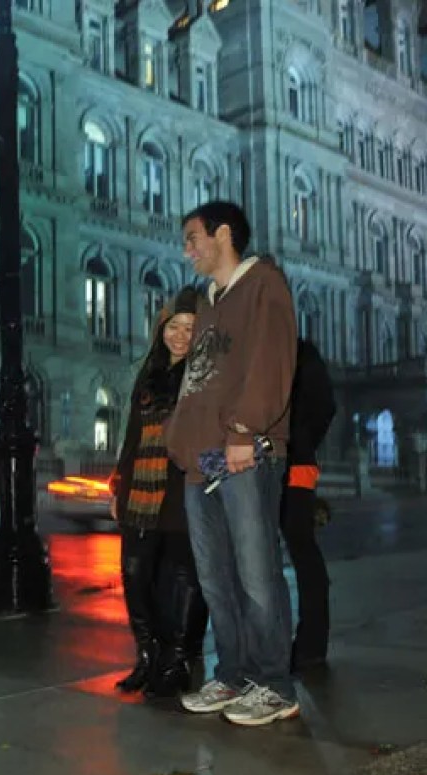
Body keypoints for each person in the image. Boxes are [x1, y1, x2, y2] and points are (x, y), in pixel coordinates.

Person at [164, 201, 299, 727]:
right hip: (201, 460)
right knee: (216, 576)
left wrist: (246, 428)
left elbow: (273, 358)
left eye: (193, 237)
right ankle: (235, 672)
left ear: (223, 233)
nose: (187, 249)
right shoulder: (209, 302)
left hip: (245, 452)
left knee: (256, 572)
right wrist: (180, 439)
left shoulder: (264, 282)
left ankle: (275, 684)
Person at [109, 288, 208, 699]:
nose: (180, 335)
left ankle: (179, 659)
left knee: (183, 577)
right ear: (161, 328)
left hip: (180, 486)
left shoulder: (203, 373)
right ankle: (147, 656)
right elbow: (131, 434)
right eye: (174, 326)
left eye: (190, 328)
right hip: (140, 490)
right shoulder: (148, 370)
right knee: (135, 573)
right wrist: (119, 484)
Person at [281, 338, 336, 672]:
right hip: (258, 466)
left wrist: (300, 440)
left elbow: (325, 407)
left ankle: (312, 643)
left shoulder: (301, 351)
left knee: (301, 547)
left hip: (297, 464)